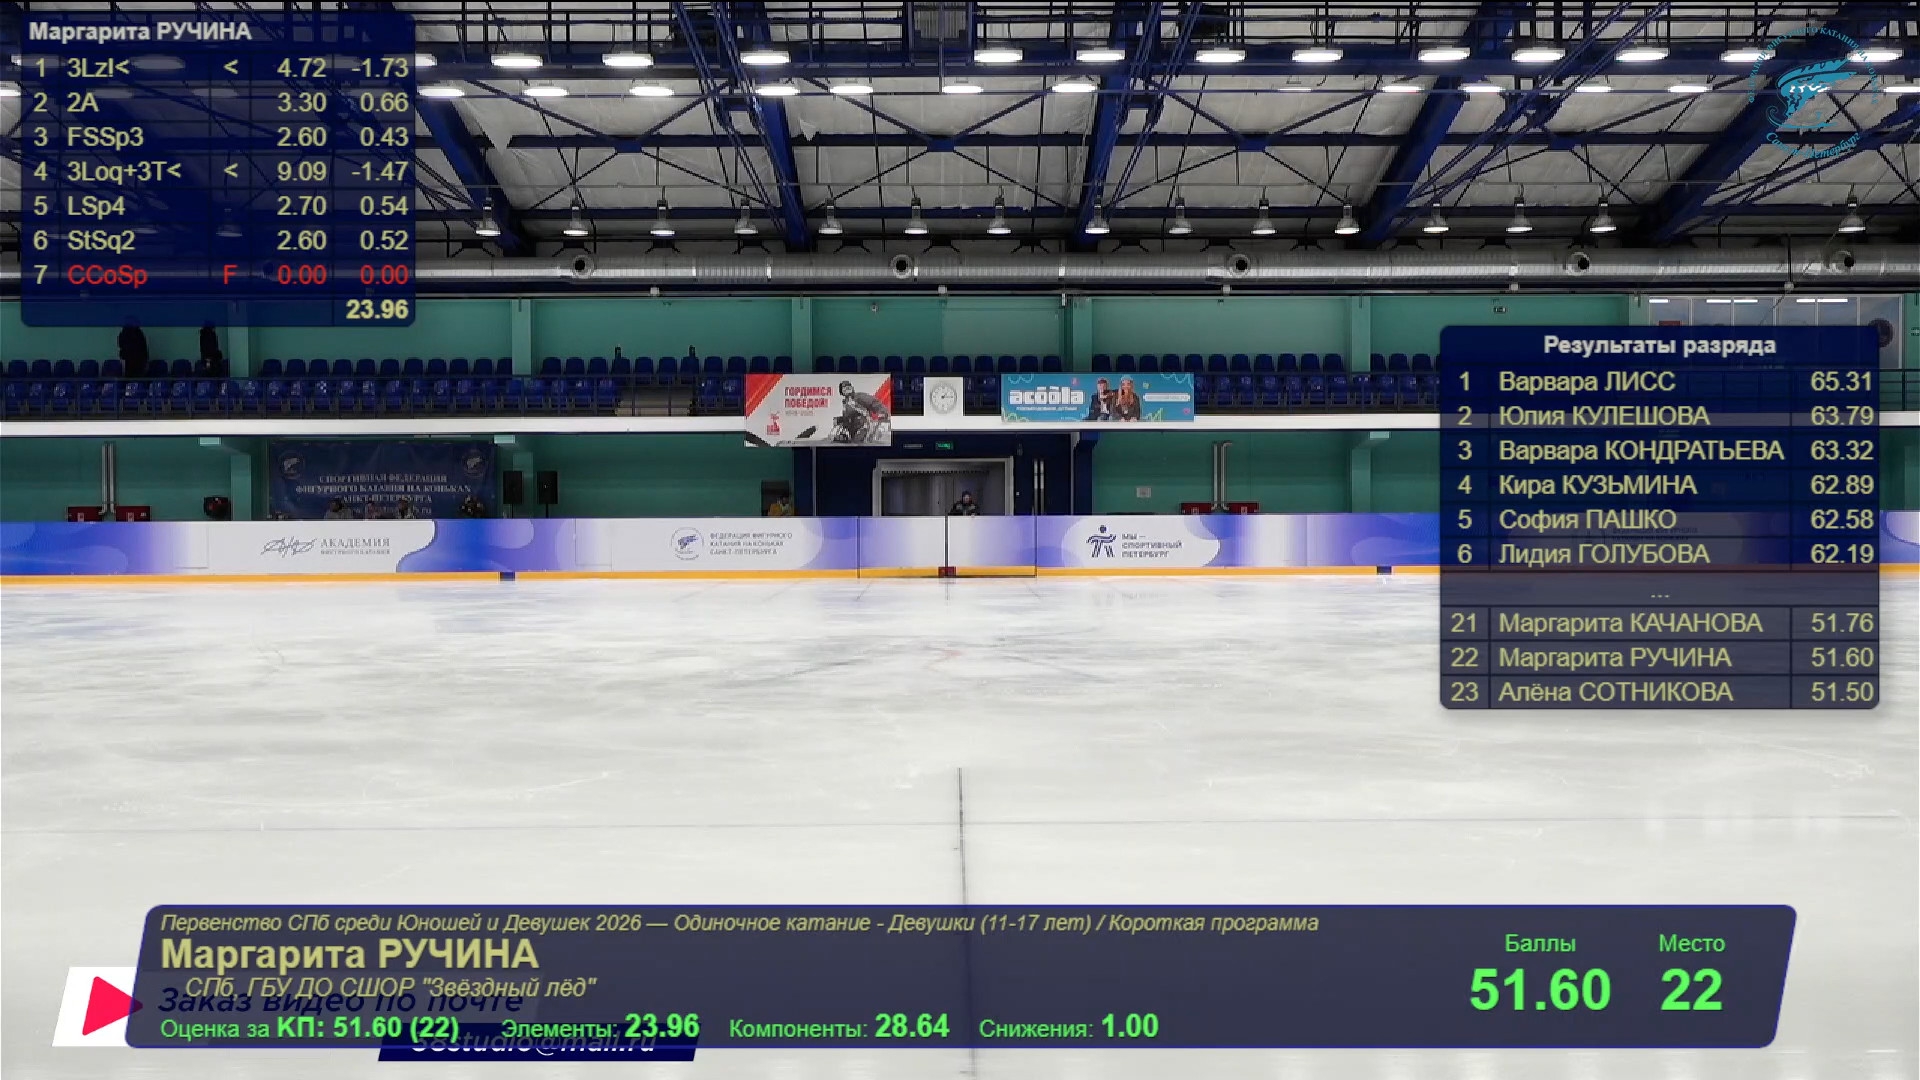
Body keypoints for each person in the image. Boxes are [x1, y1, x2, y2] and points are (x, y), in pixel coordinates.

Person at [832, 379, 892, 443]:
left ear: (852, 388)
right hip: (853, 431)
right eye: (844, 388)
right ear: (842, 392)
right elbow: (848, 418)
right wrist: (839, 420)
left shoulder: (860, 397)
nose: (847, 389)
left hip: (864, 427)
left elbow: (873, 402)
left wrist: (883, 412)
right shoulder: (846, 403)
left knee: (858, 442)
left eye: (848, 387)